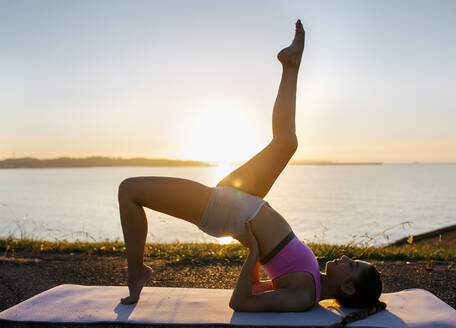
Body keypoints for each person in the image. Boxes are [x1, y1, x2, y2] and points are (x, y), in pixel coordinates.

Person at [118, 20, 382, 311]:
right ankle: (290, 65)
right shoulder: (313, 281)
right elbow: (260, 285)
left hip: (221, 211)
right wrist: (256, 254)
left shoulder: (304, 296)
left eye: (352, 265)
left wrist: (253, 251)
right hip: (243, 203)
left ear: (348, 286)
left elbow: (242, 300)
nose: (345, 258)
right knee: (286, 143)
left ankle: (136, 274)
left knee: (129, 190)